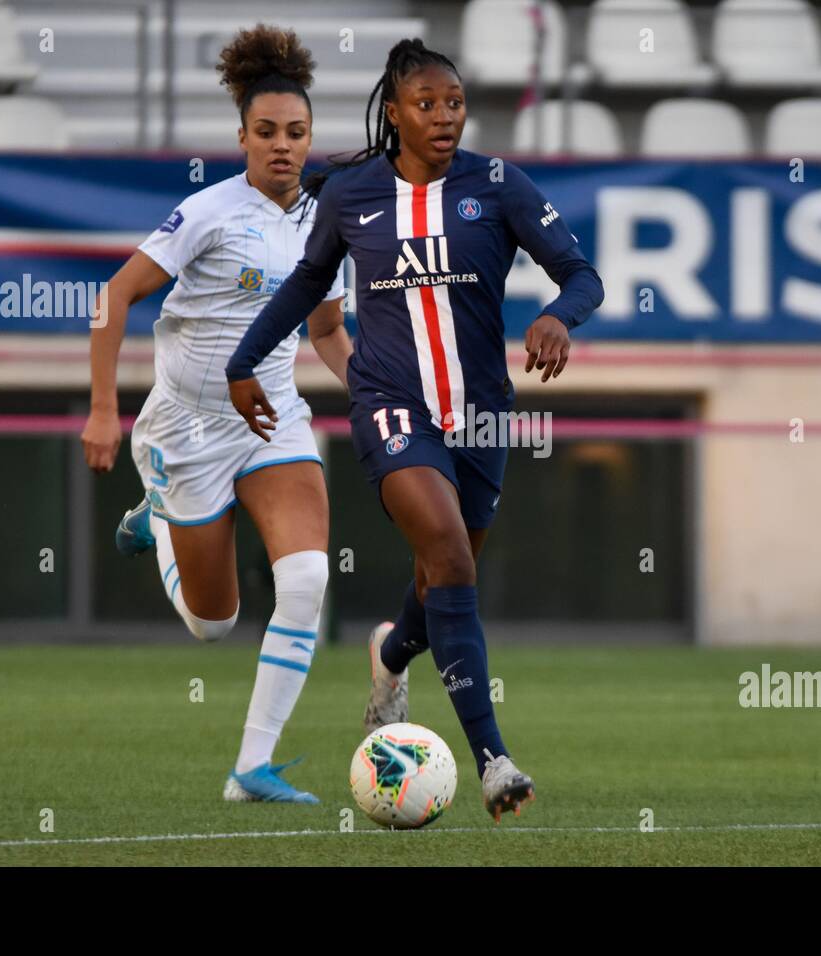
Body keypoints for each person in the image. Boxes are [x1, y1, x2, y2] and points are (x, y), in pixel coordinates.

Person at [225, 39, 603, 822]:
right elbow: (304, 285)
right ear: (393, 112)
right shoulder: (352, 194)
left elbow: (583, 274)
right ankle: (495, 760)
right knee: (454, 562)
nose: (443, 117)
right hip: (390, 403)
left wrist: (559, 318)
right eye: (426, 105)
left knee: (442, 579)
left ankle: (392, 654)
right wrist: (243, 361)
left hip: (481, 414)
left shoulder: (498, 185)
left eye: (454, 103)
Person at [80, 25, 351, 804]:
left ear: (309, 139)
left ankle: (250, 769)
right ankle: (156, 517)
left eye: (295, 133)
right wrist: (105, 411)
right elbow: (114, 296)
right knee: (213, 624)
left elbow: (328, 330)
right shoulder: (208, 211)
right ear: (241, 137)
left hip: (272, 420)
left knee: (304, 580)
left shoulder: (325, 224)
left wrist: (375, 394)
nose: (282, 147)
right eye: (266, 132)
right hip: (188, 430)